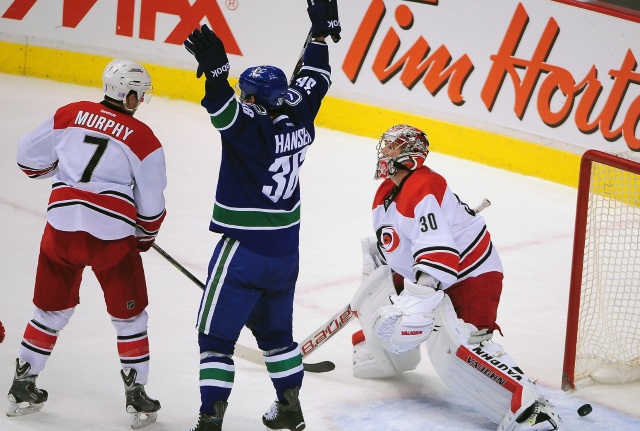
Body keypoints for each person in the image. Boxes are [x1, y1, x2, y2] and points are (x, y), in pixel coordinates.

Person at [181, 1, 341, 430]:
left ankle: (210, 418)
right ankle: (290, 408)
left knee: (214, 340)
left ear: (252, 99)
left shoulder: (250, 129)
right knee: (277, 337)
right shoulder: (302, 116)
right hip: (285, 251)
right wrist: (320, 35)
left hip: (243, 251)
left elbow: (221, 109)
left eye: (244, 94)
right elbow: (315, 80)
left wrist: (216, 76)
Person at [350, 124, 561, 430]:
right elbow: (397, 243)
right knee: (381, 293)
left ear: (409, 155)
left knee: (467, 347)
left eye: (392, 148)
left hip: (472, 274)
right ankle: (387, 354)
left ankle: (532, 408)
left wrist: (419, 299)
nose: (384, 152)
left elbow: (440, 250)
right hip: (433, 272)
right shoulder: (386, 192)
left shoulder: (424, 185)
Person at [8, 58, 167, 430]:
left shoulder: (69, 113)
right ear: (127, 94)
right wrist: (144, 235)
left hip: (60, 231)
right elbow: (152, 200)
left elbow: (27, 158)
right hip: (110, 240)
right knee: (129, 317)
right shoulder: (144, 139)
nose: (140, 101)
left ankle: (22, 386)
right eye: (139, 95)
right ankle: (137, 396)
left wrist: (63, 175)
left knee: (48, 310)